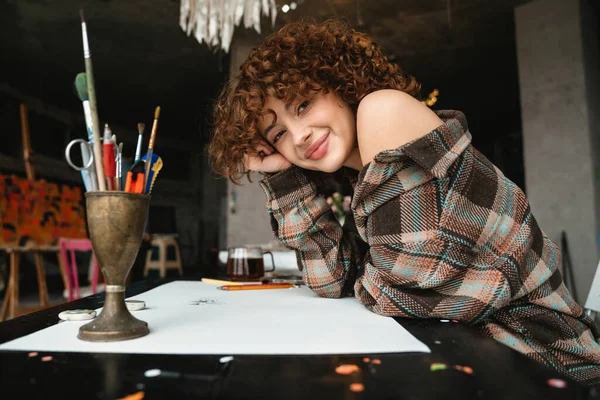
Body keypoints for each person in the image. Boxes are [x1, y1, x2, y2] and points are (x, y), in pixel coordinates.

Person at [208, 18, 600, 385]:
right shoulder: (360, 177)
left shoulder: (384, 111)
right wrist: (282, 177)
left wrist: (364, 279)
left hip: (547, 363)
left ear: (338, 82)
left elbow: (401, 289)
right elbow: (331, 282)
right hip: (471, 360)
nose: (299, 137)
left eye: (303, 105)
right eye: (277, 135)